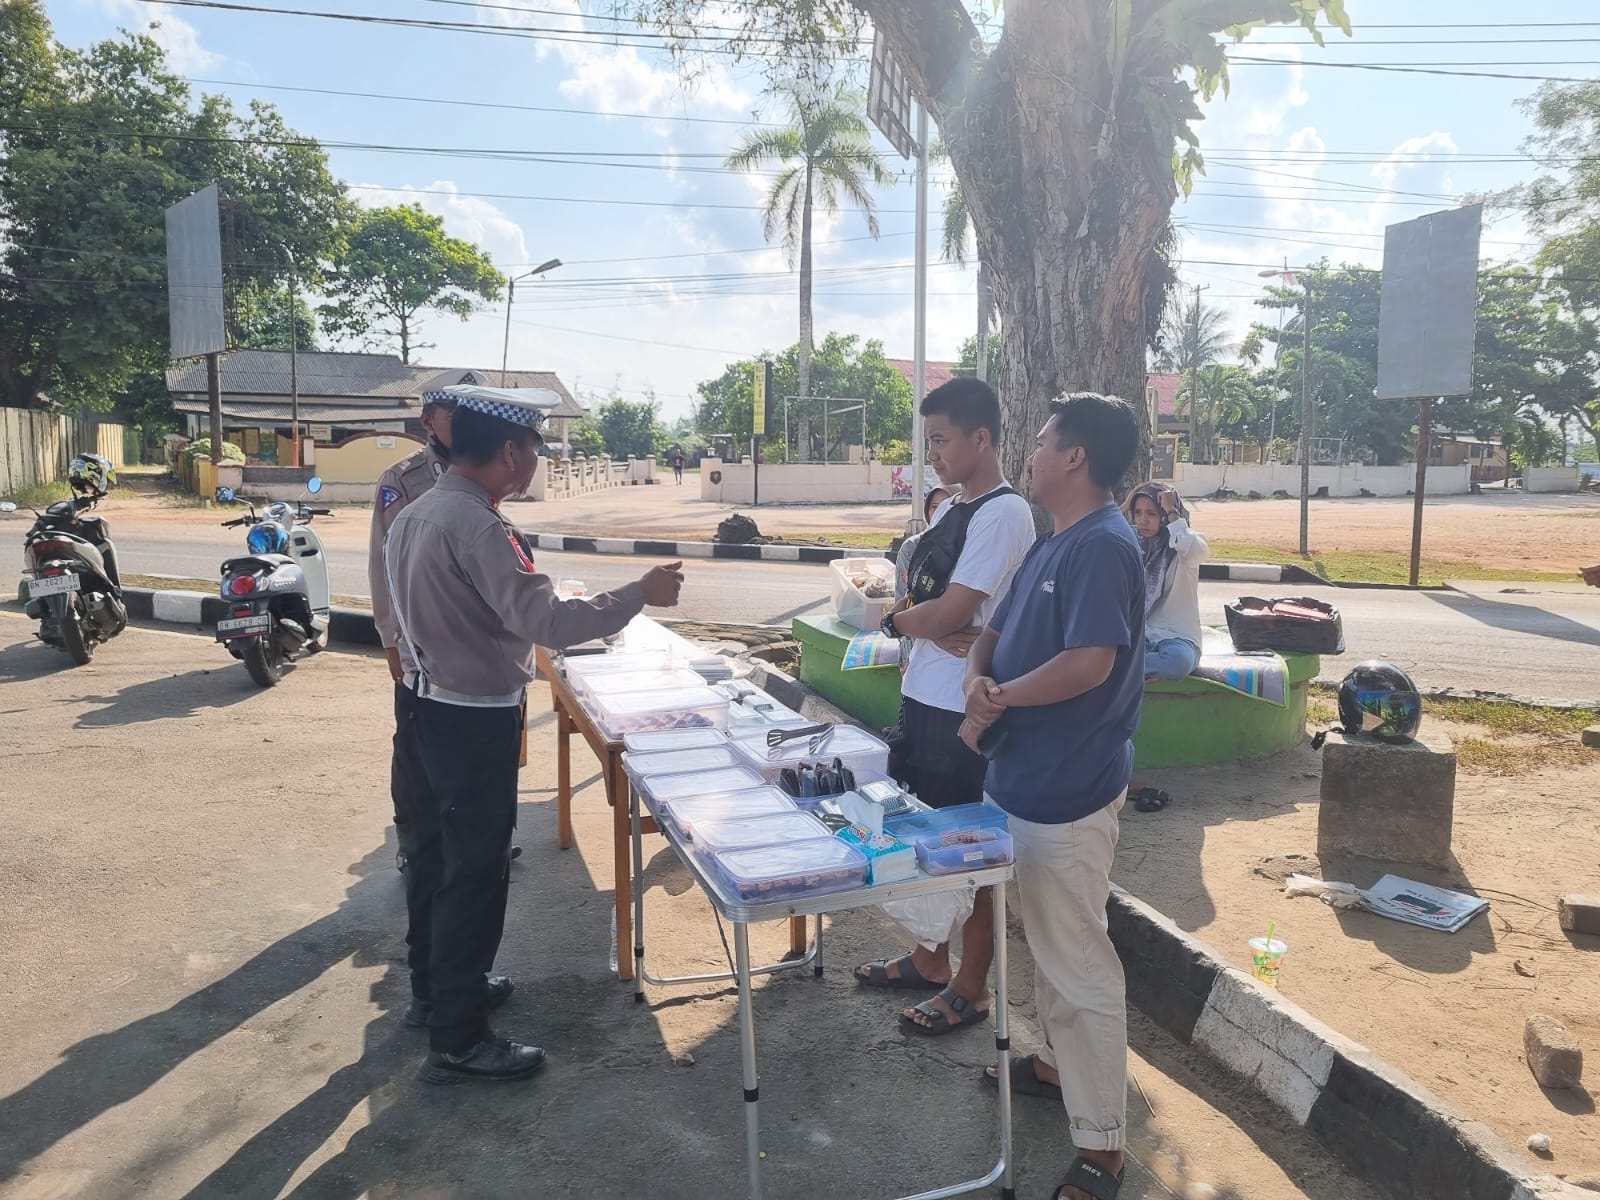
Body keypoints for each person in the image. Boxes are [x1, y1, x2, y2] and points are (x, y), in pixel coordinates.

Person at [386, 386, 686, 1085]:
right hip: (470, 720)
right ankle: (459, 1036)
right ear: (511, 452)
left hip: (423, 708)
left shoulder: (419, 512)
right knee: (474, 873)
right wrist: (639, 593)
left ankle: (438, 993)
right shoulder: (478, 526)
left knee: (432, 860)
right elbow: (544, 621)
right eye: (533, 455)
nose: (533, 468)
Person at [961, 392, 1145, 1200]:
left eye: (1039, 442)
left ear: (1075, 457)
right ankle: (1049, 1064)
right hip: (1022, 780)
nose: (1029, 453)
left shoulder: (1104, 546)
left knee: (1077, 961)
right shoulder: (1055, 540)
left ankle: (1103, 1146)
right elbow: (994, 631)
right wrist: (977, 676)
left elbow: (1090, 664)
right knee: (1044, 940)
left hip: (1067, 791)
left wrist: (997, 698)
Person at [854, 378, 1036, 1037]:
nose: (931, 454)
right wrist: (916, 620)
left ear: (981, 438)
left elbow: (956, 611)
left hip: (962, 708)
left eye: (941, 440)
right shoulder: (952, 507)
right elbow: (926, 606)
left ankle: (971, 986)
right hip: (925, 696)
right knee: (927, 840)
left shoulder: (1002, 514)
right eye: (927, 440)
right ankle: (931, 959)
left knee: (971, 850)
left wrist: (902, 622)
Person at [370, 394, 456, 876]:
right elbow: (382, 565)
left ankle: (474, 838)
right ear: (428, 420)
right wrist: (389, 639)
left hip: (469, 647)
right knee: (415, 754)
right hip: (418, 648)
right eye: (455, 415)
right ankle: (414, 844)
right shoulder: (402, 481)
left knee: (467, 757)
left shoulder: (483, 470)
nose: (466, 426)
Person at [1124, 482, 1207, 681]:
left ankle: (1117, 671)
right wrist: (1125, 504)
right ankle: (1127, 669)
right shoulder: (1132, 541)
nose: (1143, 520)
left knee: (1178, 661)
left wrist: (1172, 511)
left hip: (1176, 638)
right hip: (1138, 635)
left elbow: (1194, 549)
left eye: (1152, 513)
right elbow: (1098, 533)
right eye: (1137, 512)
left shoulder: (1184, 545)